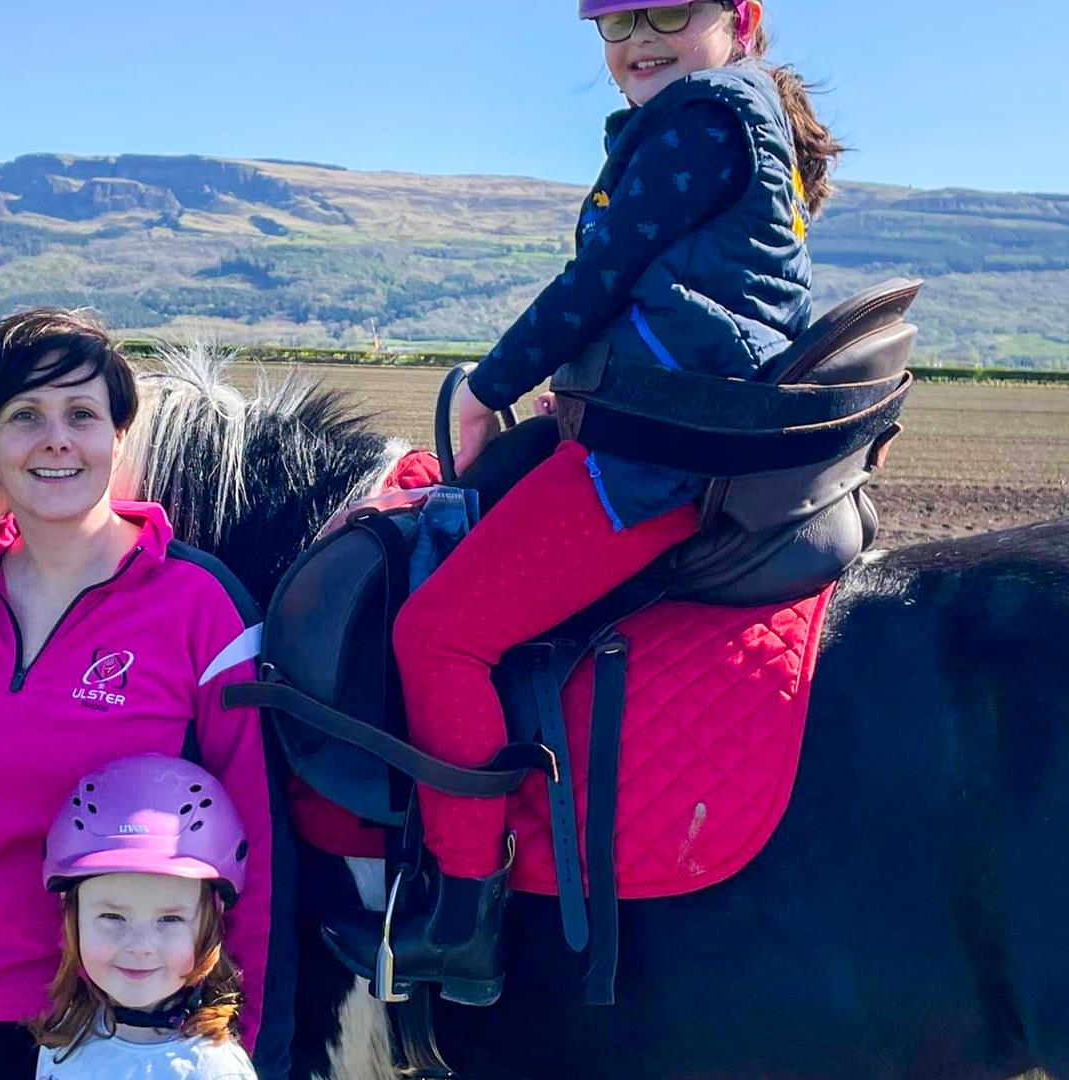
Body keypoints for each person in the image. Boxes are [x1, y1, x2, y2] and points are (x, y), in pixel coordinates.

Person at [326, 0, 844, 1005]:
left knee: (437, 635)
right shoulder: (733, 113)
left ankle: (463, 917)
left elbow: (598, 280)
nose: (640, 37)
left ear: (739, 19)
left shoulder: (702, 120)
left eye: (668, 11)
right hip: (679, 417)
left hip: (658, 447)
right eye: (615, 22)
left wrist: (486, 386)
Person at [0, 309, 293, 1078]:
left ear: (117, 439)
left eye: (82, 414)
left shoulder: (200, 608)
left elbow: (257, 845)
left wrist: (242, 1044)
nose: (56, 438)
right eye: (25, 415)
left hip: (122, 1039)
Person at [29, 753, 259, 1079]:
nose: (140, 946)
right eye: (112, 917)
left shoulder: (213, 1070)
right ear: (72, 914)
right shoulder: (65, 1037)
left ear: (211, 922)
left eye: (170, 920)